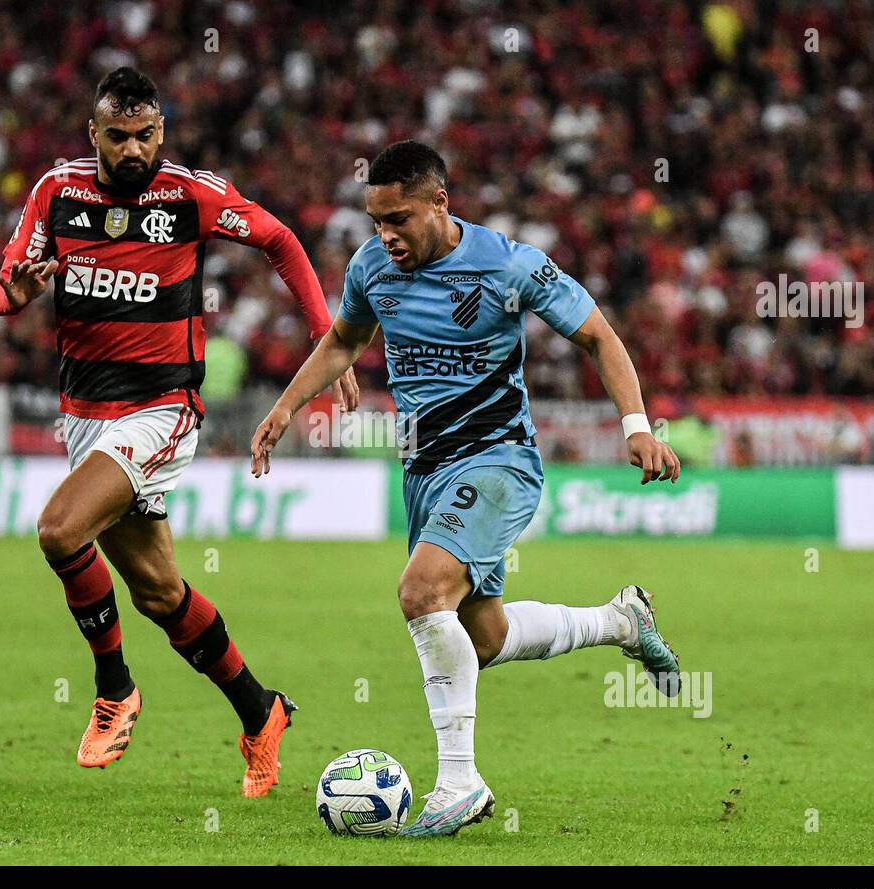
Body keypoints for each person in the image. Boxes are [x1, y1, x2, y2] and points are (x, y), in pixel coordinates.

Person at [251, 141, 681, 836]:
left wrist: (635, 426)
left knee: (421, 593)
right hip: (424, 472)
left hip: (497, 460)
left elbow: (599, 335)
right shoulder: (372, 268)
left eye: (399, 218)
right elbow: (342, 341)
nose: (386, 235)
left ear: (439, 203)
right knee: (480, 639)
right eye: (375, 219)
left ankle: (459, 783)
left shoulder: (508, 263)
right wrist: (285, 408)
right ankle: (621, 621)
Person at [0, 67, 357, 796]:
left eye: (146, 135)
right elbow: (5, 285)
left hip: (161, 410)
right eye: (118, 136)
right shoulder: (55, 192)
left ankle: (115, 688)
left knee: (61, 532)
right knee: (160, 594)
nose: (133, 150)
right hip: (84, 415)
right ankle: (262, 711)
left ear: (163, 131)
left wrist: (328, 338)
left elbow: (281, 241)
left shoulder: (189, 194)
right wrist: (16, 291)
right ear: (92, 133)